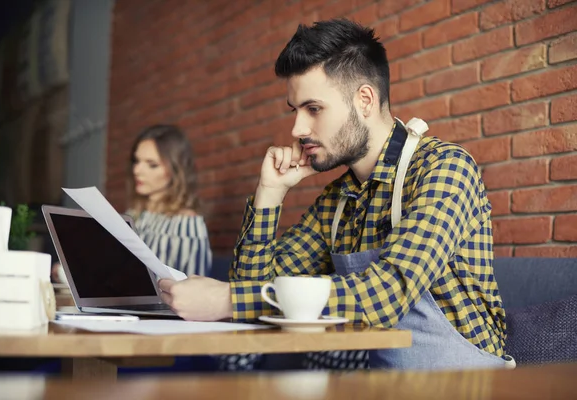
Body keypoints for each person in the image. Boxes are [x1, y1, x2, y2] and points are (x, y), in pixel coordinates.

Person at [157, 19, 513, 371]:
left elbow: (389, 292)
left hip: (472, 385)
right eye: (295, 111)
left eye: (313, 109)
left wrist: (227, 299)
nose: (297, 129)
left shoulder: (445, 169)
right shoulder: (338, 201)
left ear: (365, 100)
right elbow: (257, 293)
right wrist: (269, 194)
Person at [126, 124, 212, 277]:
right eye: (136, 161)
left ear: (175, 170)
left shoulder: (187, 224)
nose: (137, 170)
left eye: (152, 165)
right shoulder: (132, 214)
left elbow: (193, 291)